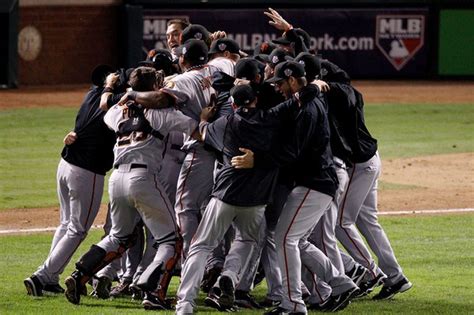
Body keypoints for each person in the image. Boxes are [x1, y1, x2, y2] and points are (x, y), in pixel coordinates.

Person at [63, 67, 198, 310]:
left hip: (117, 179)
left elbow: (107, 111)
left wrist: (127, 96)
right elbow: (195, 129)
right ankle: (153, 293)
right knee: (171, 240)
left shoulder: (118, 112)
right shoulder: (161, 114)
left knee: (118, 237)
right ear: (153, 88)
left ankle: (79, 276)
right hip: (144, 177)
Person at [232, 61, 359, 314]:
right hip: (315, 181)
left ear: (292, 81)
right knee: (295, 240)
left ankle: (292, 303)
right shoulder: (306, 102)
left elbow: (291, 152)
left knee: (284, 238)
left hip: (315, 183)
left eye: (280, 83)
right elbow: (279, 113)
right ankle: (340, 283)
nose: (277, 88)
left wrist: (258, 159)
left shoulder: (308, 110)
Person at [176, 84, 296, 315]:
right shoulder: (271, 121)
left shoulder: (225, 123)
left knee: (201, 246)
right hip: (256, 200)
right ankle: (230, 275)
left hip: (225, 195)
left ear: (232, 104)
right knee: (248, 240)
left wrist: (203, 119)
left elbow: (202, 133)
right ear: (255, 101)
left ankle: (185, 305)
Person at [23, 65, 117, 297]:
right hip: (86, 172)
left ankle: (50, 278)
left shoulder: (90, 94)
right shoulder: (111, 102)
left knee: (66, 224)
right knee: (77, 230)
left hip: (65, 166)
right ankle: (41, 276)